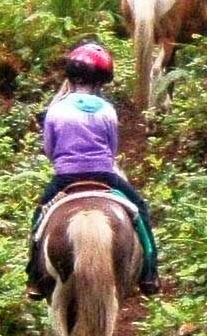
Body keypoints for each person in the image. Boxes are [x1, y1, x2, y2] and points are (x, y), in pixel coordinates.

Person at [26, 42, 160, 298]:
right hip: (103, 174)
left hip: (65, 177)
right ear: (100, 82)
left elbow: (49, 149)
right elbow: (112, 149)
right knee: (140, 210)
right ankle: (150, 273)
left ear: (71, 77)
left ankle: (34, 277)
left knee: (39, 219)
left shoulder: (56, 110)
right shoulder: (107, 110)